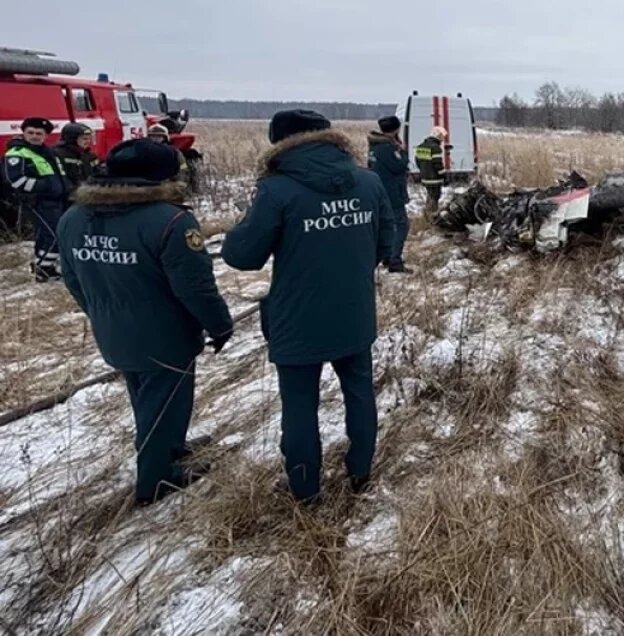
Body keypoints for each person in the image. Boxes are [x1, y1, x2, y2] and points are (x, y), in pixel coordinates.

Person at [221, 110, 395, 504]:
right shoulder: (367, 181)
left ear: (280, 143)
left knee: (299, 406)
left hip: (298, 318)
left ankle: (305, 489)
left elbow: (243, 255)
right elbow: (388, 239)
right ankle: (361, 471)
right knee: (360, 393)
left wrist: (240, 228)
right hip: (354, 311)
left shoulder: (276, 190)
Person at [57, 139, 234, 506]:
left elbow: (72, 279)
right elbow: (196, 288)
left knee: (146, 395)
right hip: (165, 333)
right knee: (164, 397)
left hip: (112, 329)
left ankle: (167, 446)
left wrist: (101, 314)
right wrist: (219, 324)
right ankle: (156, 479)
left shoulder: (74, 217)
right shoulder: (171, 220)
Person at [4, 117, 68, 281]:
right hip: (36, 201)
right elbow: (16, 180)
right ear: (23, 133)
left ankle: (43, 266)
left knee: (45, 235)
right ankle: (44, 271)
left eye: (39, 133)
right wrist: (45, 186)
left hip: (55, 200)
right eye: (30, 133)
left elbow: (60, 175)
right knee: (54, 235)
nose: (34, 136)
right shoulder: (16, 154)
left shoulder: (48, 153)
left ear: (45, 135)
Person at [367, 115, 411, 273]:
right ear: (396, 129)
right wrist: (403, 152)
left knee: (386, 225)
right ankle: (394, 261)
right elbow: (399, 165)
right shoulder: (387, 148)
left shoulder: (374, 146)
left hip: (379, 191)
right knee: (401, 226)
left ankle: (387, 256)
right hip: (391, 193)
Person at [55, 122, 100, 198]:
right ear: (72, 139)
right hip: (67, 197)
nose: (88, 141)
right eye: (84, 138)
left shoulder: (91, 157)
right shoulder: (58, 155)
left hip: (89, 195)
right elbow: (59, 180)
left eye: (89, 138)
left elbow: (99, 174)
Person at [414, 126, 447, 215]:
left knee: (430, 196)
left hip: (425, 177)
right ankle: (433, 216)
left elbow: (417, 162)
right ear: (438, 136)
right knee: (435, 198)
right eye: (442, 136)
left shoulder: (420, 146)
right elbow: (438, 165)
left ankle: (427, 214)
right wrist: (444, 176)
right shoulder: (435, 148)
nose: (442, 139)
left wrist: (423, 171)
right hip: (435, 179)